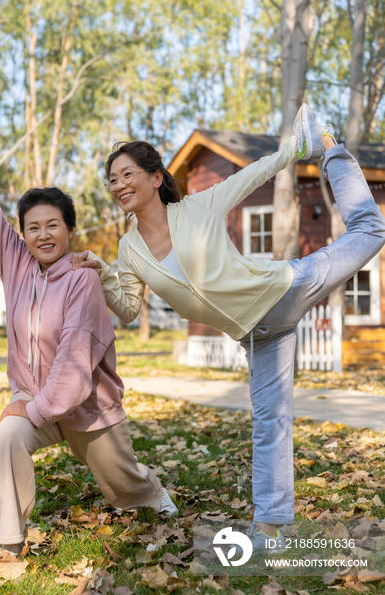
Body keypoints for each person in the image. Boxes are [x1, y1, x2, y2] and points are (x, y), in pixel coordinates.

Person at [71, 104, 385, 553]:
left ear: (155, 176)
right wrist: (101, 269)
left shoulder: (198, 207)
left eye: (126, 174)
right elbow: (128, 310)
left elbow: (254, 174)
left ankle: (329, 144)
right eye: (112, 179)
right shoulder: (129, 249)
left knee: (371, 229)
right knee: (269, 423)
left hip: (286, 287)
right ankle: (273, 532)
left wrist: (302, 147)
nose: (118, 185)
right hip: (259, 335)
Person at [0, 102, 177, 555]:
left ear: (69, 230)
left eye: (53, 225)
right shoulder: (16, 264)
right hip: (34, 399)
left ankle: (153, 494)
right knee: (6, 440)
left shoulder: (83, 278)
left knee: (128, 490)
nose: (43, 235)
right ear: (24, 234)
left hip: (86, 406)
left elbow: (73, 358)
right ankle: (10, 539)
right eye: (33, 228)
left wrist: (34, 409)